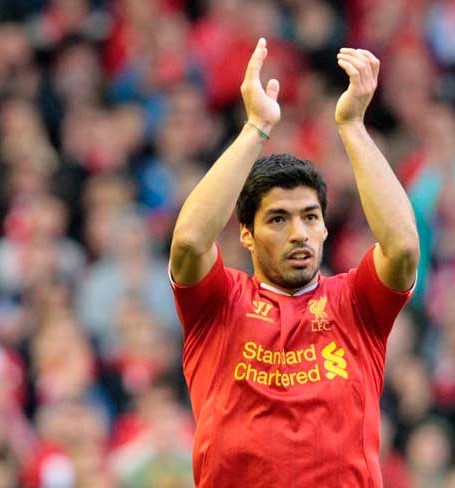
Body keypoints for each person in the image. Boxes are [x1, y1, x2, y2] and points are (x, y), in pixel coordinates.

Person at [169, 37, 419, 487]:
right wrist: (256, 128)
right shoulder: (219, 303)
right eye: (278, 219)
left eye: (310, 217)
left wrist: (353, 127)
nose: (299, 233)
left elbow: (402, 248)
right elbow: (188, 242)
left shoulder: (355, 304)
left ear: (325, 228)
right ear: (246, 234)